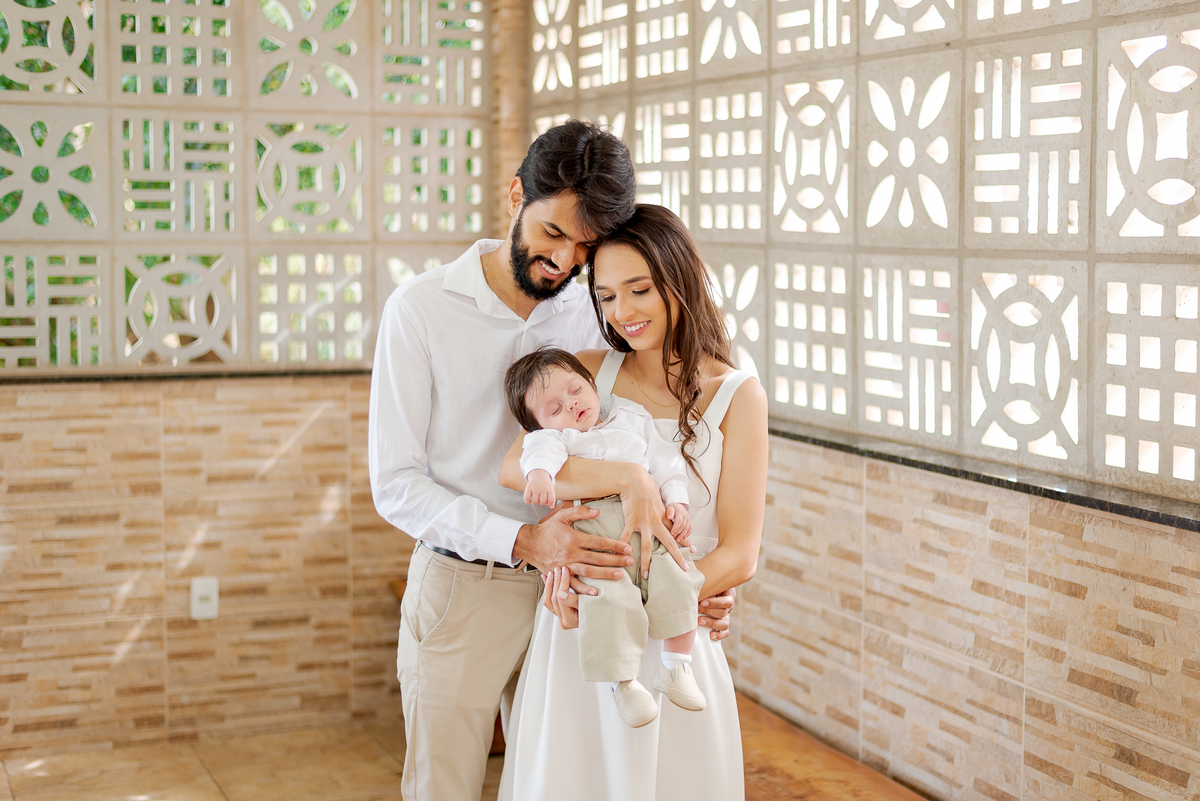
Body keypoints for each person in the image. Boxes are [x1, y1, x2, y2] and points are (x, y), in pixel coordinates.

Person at [368, 122, 734, 801]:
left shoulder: (598, 312)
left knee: (560, 785)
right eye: (554, 233)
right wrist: (524, 540)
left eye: (586, 246)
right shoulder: (420, 310)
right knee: (443, 787)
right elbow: (394, 484)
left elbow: (655, 429)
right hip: (466, 586)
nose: (566, 261)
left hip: (581, 588)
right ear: (516, 196)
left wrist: (693, 579)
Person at [497, 204, 768, 801]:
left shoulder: (737, 395)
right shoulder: (589, 373)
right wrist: (628, 481)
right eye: (607, 296)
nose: (623, 312)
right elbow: (518, 465)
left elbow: (740, 553)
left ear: (678, 278)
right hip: (582, 625)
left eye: (639, 290)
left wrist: (664, 594)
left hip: (673, 634)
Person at [505, 346, 705, 728]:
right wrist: (540, 476)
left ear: (591, 382)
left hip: (649, 524)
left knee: (678, 576)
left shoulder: (632, 416)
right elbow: (537, 452)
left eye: (575, 389)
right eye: (554, 408)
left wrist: (677, 502)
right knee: (606, 597)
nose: (571, 404)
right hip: (595, 529)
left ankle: (677, 665)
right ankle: (622, 683)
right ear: (541, 425)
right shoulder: (557, 438)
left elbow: (665, 461)